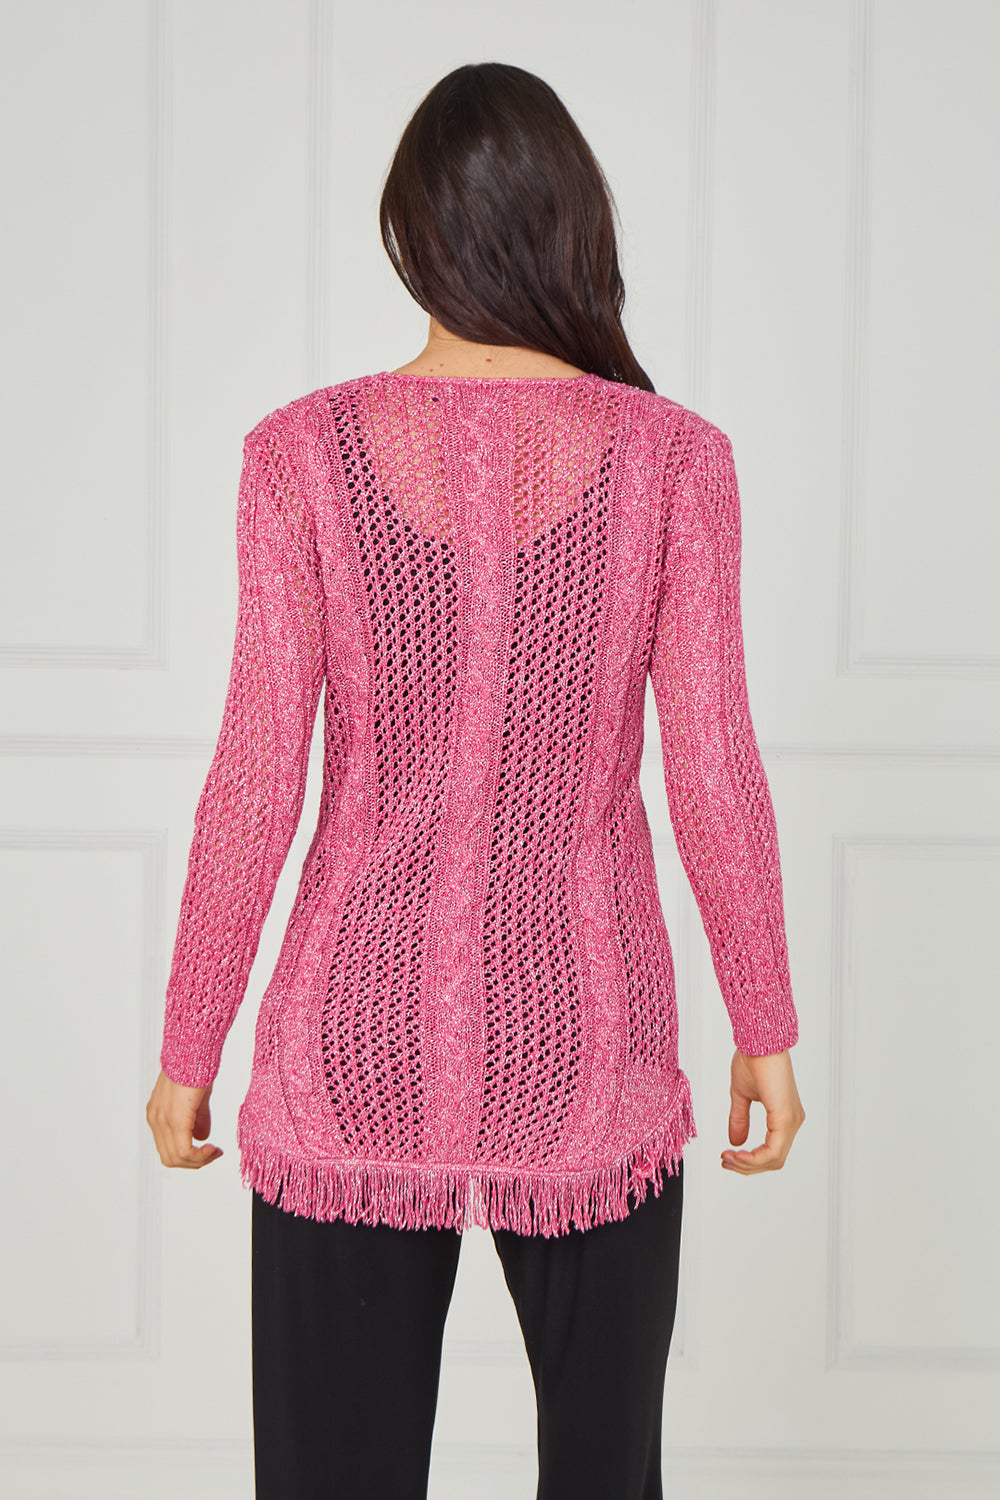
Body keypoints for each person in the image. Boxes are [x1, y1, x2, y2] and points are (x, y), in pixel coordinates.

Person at [146, 60, 805, 1500]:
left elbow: (255, 775)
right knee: (607, 1476)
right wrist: (764, 1021)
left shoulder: (300, 455)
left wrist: (191, 1043)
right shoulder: (675, 461)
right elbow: (713, 763)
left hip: (348, 1044)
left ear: (412, 234)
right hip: (593, 1044)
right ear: (573, 230)